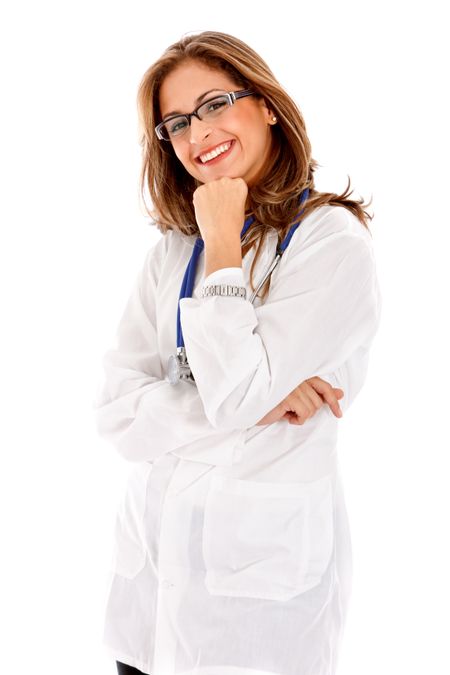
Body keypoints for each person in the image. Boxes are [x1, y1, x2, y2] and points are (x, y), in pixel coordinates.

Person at [93, 30, 382, 675]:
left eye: (217, 103)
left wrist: (223, 238)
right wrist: (255, 400)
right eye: (176, 122)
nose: (199, 133)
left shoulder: (330, 244)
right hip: (150, 603)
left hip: (257, 619)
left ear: (267, 105)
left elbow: (230, 397)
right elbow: (116, 412)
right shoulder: (171, 252)